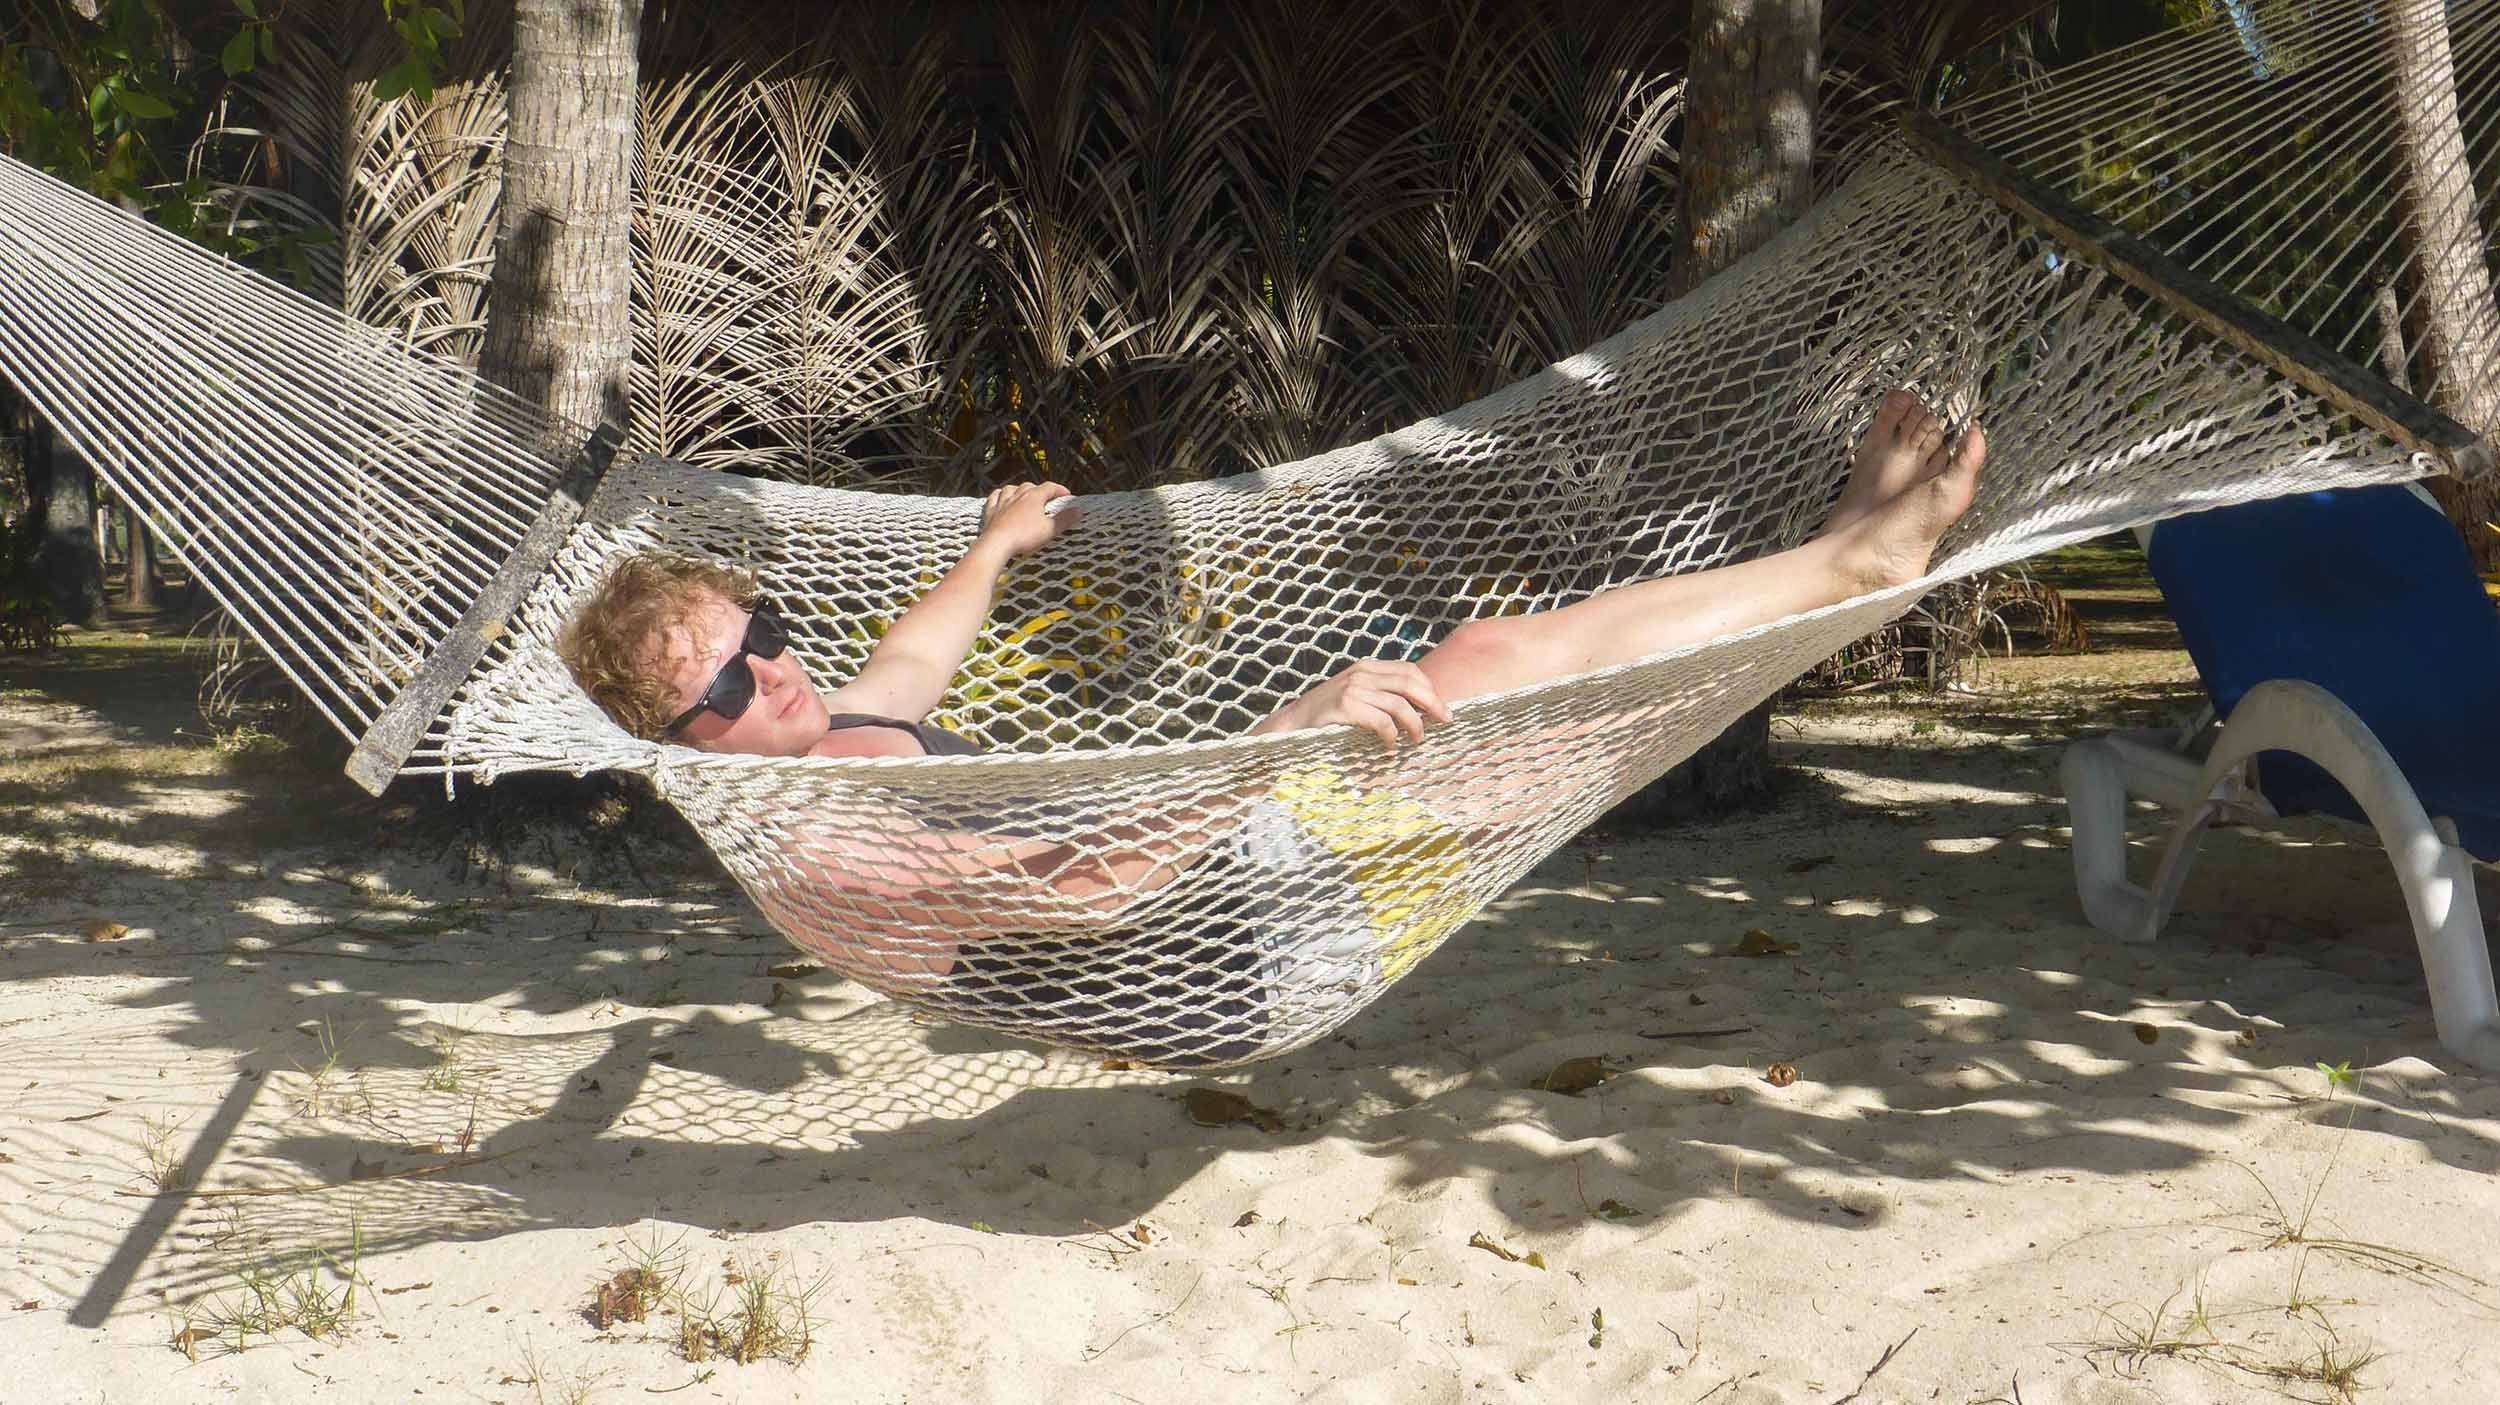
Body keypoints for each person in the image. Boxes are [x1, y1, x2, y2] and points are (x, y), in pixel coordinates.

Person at [559, 391, 1986, 1062]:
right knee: (1500, 697)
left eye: (764, 639)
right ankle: (1845, 569)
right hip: (1231, 959)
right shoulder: (822, 848)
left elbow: (902, 668)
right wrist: (1288, 740)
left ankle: (1836, 560)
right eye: (729, 688)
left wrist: (993, 553)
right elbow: (1089, 886)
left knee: (1493, 673)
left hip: (1227, 884)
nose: (777, 680)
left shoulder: (826, 754)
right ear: (681, 743)